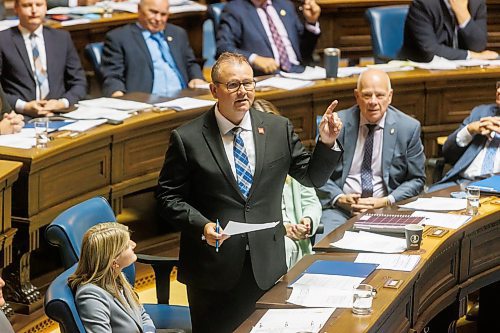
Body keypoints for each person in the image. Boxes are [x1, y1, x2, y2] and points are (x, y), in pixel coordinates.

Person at [156, 52, 343, 332]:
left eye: (249, 83)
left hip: (266, 265)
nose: (243, 91)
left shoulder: (278, 128)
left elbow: (310, 177)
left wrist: (326, 143)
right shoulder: (188, 138)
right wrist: (202, 225)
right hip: (212, 269)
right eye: (233, 85)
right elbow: (167, 197)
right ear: (214, 90)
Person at [316, 69, 426, 241]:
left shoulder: (408, 128)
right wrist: (339, 198)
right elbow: (317, 173)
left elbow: (417, 179)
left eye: (380, 95)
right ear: (357, 96)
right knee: (325, 246)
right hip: (341, 210)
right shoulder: (338, 124)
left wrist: (386, 201)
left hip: (387, 208)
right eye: (367, 95)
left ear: (390, 96)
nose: (373, 102)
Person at [252, 98, 322, 269]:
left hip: (300, 242)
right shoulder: (247, 167)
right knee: (283, 248)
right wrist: (284, 229)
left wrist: (308, 221)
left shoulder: (289, 156)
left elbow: (311, 201)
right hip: (272, 242)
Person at [101, 0, 207, 98]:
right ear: (139, 9)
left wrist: (196, 77)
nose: (158, 19)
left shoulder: (177, 33)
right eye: (153, 12)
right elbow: (113, 76)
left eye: (163, 14)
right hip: (146, 101)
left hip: (185, 97)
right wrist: (118, 96)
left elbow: (190, 63)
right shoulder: (119, 37)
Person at [0, 0, 87, 118]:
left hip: (60, 113)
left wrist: (63, 103)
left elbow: (79, 81)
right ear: (16, 8)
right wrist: (24, 106)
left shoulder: (62, 38)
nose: (34, 10)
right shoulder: (3, 40)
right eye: (27, 5)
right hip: (20, 117)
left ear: (46, 7)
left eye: (39, 5)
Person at [68, 222, 156, 333]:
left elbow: (142, 314)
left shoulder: (118, 277)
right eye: (127, 246)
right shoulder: (91, 296)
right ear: (114, 262)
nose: (134, 244)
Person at [216, 0, 321, 76]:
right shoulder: (235, 9)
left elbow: (304, 51)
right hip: (266, 77)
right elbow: (223, 47)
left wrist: (311, 22)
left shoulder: (285, 5)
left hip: (300, 73)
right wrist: (254, 59)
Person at [429, 82, 500, 191]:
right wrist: (470, 130)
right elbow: (447, 151)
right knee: (427, 199)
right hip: (462, 183)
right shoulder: (482, 112)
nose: (498, 91)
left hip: (495, 188)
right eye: (498, 87)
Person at [399, 0, 498, 62]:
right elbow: (430, 51)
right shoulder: (423, 4)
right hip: (420, 75)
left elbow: (478, 46)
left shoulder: (476, 3)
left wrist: (463, 15)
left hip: (462, 73)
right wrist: (471, 55)